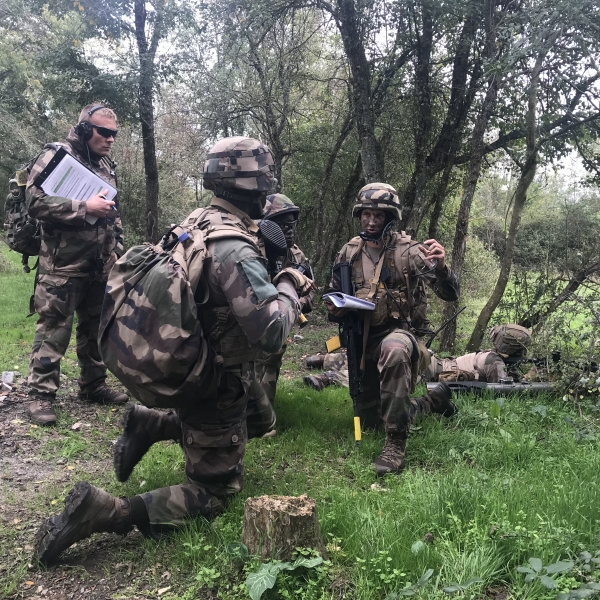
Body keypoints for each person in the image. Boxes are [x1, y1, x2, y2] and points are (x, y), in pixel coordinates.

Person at [33, 136, 314, 565]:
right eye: (265, 181)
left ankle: (151, 423)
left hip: (192, 354)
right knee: (214, 493)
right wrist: (292, 283)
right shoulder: (235, 249)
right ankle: (105, 511)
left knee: (260, 418)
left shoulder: (201, 218)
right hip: (215, 376)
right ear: (254, 185)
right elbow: (271, 332)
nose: (268, 189)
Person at [325, 182, 460, 475]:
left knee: (394, 348)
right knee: (373, 418)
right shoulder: (349, 252)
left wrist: (441, 268)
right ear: (359, 215)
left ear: (390, 218)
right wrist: (335, 310)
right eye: (366, 215)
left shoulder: (409, 252)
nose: (372, 221)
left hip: (400, 335)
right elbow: (334, 295)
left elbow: (450, 294)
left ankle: (395, 444)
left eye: (379, 216)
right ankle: (432, 402)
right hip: (362, 340)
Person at [25, 104, 127, 426]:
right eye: (104, 132)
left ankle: (93, 385)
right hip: (62, 266)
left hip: (99, 264)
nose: (110, 139)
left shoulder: (106, 164)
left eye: (114, 134)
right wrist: (83, 206)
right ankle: (40, 396)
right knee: (54, 329)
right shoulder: (57, 156)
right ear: (84, 129)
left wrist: (117, 249)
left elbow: (113, 211)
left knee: (95, 328)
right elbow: (34, 200)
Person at [255, 193, 315, 404]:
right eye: (281, 225)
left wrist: (300, 303)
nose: (288, 230)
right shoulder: (253, 250)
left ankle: (264, 409)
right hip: (251, 316)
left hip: (282, 316)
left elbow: (310, 289)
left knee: (273, 355)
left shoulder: (296, 255)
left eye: (291, 224)